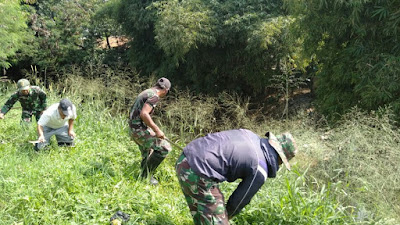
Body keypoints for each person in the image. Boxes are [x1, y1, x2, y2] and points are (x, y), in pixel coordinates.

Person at [175, 129, 298, 225]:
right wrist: (225, 218)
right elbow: (239, 201)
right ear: (280, 159)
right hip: (197, 173)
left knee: (203, 214)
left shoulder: (249, 134)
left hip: (186, 157)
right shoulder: (260, 169)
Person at [128, 77, 172, 185]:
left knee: (147, 150)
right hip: (138, 130)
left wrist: (148, 130)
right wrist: (157, 130)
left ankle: (143, 177)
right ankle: (146, 176)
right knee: (164, 148)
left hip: (134, 128)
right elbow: (144, 114)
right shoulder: (154, 96)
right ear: (166, 90)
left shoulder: (147, 92)